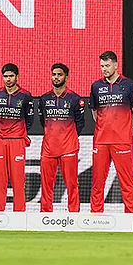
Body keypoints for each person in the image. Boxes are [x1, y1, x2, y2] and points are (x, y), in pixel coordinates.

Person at [89, 51, 133, 213]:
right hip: (101, 140)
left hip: (122, 140)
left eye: (107, 65)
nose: (104, 69)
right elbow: (95, 112)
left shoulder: (129, 85)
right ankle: (96, 214)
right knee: (98, 181)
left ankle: (131, 214)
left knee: (126, 181)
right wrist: (106, 127)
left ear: (116, 65)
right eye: (102, 66)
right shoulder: (96, 86)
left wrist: (124, 128)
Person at [37, 63, 84, 212]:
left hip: (68, 148)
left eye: (59, 74)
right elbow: (42, 121)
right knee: (46, 185)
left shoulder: (75, 99)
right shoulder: (44, 99)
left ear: (66, 77)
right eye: (54, 74)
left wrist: (67, 137)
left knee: (71, 184)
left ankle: (73, 213)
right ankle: (45, 214)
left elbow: (80, 124)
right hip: (48, 148)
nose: (56, 77)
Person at [0, 63, 33, 212]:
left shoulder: (25, 96)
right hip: (0, 141)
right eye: (5, 76)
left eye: (11, 76)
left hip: (17, 141)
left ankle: (19, 213)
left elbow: (30, 120)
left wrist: (18, 133)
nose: (8, 79)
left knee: (18, 180)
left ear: (17, 77)